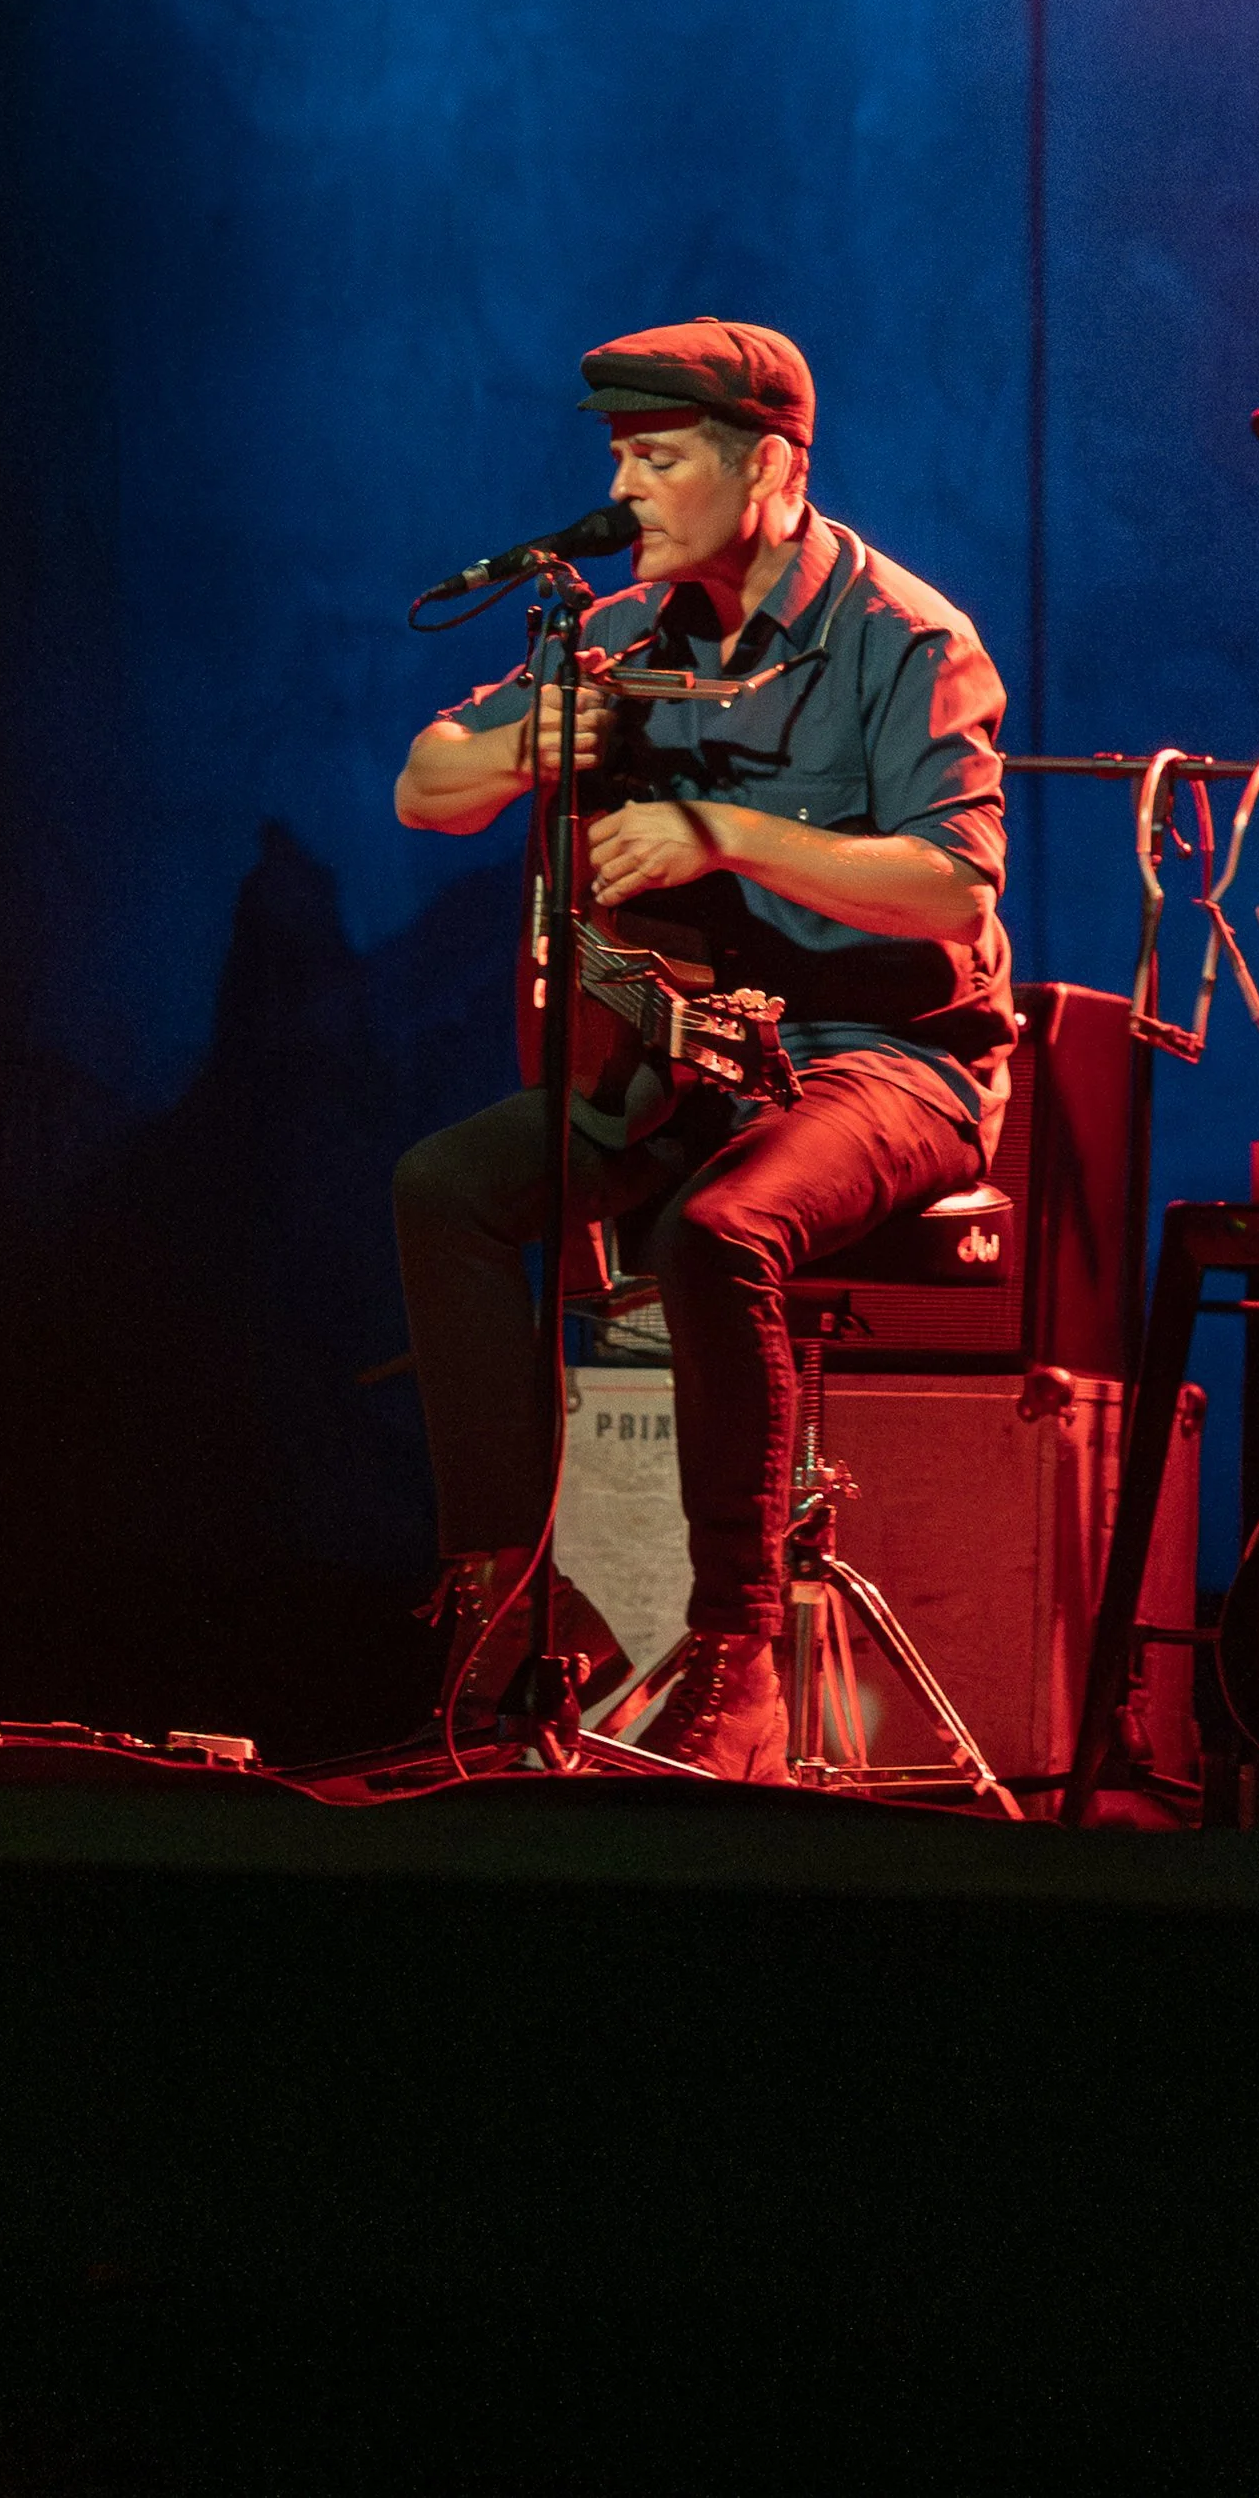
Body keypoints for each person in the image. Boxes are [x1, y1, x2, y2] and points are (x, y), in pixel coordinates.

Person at [392, 318, 1013, 1779]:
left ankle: (740, 1651)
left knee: (720, 1225)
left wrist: (723, 832)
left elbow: (955, 886)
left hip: (889, 1060)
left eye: (661, 457)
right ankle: (511, 1604)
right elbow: (428, 783)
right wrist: (531, 746)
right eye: (621, 455)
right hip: (692, 1055)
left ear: (772, 468)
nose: (632, 487)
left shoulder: (907, 636)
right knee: (447, 1184)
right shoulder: (617, 635)